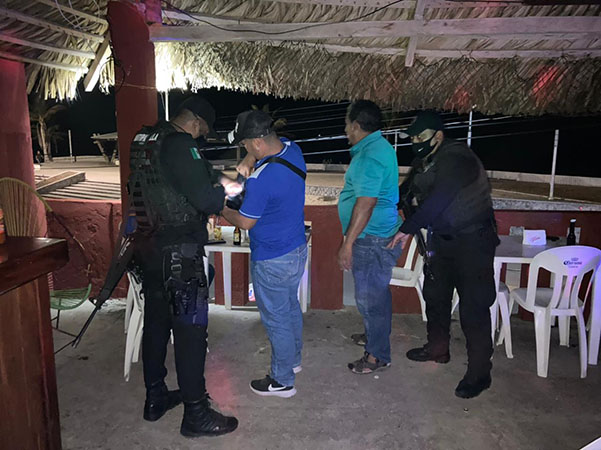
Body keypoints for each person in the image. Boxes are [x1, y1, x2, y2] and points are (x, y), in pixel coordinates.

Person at [128, 96, 240, 437]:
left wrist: (217, 177)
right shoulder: (181, 144)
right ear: (195, 123)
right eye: (202, 132)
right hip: (180, 251)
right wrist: (223, 192)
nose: (201, 137)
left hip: (150, 247)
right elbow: (205, 199)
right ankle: (196, 413)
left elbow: (181, 177)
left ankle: (155, 397)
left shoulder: (146, 140)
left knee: (157, 324)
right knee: (191, 331)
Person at [388, 110, 499, 399]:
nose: (416, 142)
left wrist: (407, 228)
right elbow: (407, 190)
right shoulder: (426, 159)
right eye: (412, 138)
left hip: (474, 242)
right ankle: (437, 349)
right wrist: (390, 203)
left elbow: (441, 197)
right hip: (442, 240)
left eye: (420, 137)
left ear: (438, 136)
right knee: (435, 296)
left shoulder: (457, 157)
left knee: (473, 308)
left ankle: (479, 374)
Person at [221, 110, 307, 398]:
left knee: (276, 319)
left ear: (256, 142)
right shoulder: (293, 151)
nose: (244, 149)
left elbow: (246, 222)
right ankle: (293, 361)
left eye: (245, 144)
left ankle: (282, 381)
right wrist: (250, 158)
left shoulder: (261, 179)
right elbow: (266, 149)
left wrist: (222, 208)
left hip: (272, 258)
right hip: (296, 250)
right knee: (290, 308)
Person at [337, 100, 403, 374]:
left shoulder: (369, 156)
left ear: (355, 125)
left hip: (371, 238)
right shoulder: (379, 147)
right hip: (378, 234)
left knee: (369, 299)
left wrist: (347, 243)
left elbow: (366, 203)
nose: (345, 131)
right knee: (376, 295)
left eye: (346, 125)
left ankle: (377, 356)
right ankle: (373, 336)